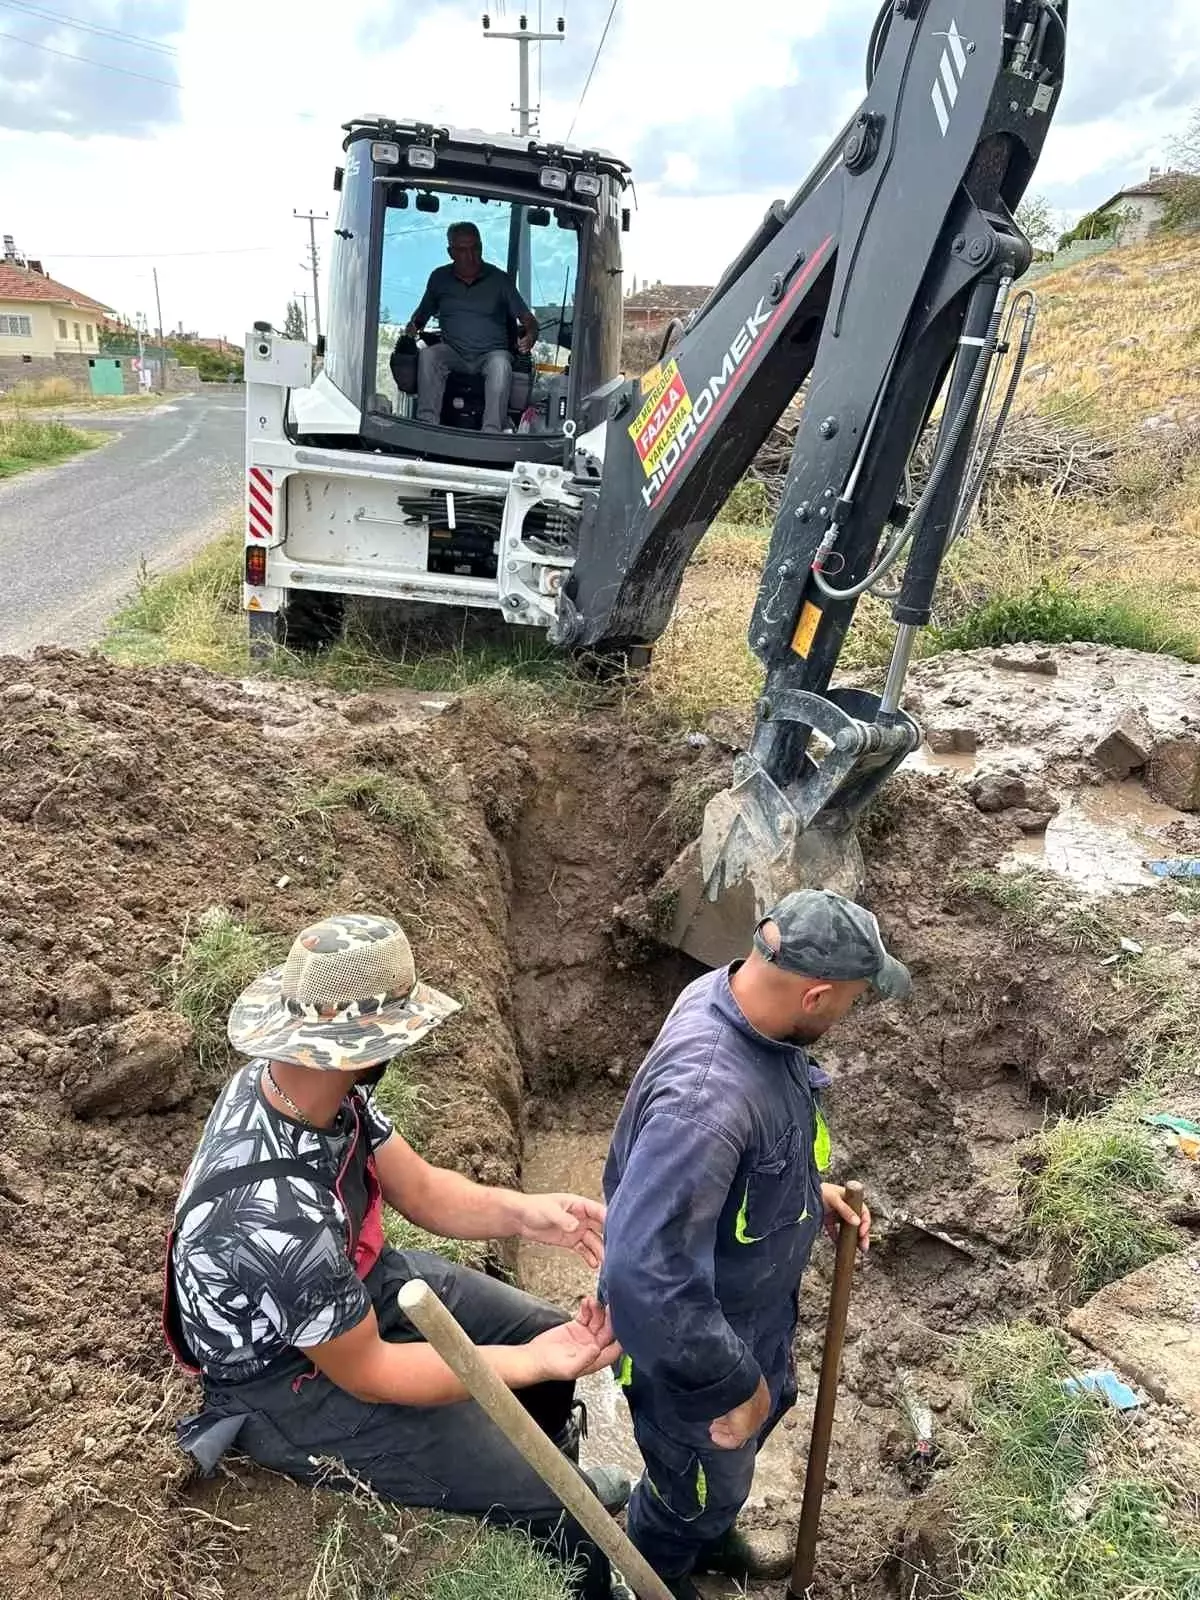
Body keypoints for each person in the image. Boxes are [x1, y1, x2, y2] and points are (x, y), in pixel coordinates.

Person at [163, 912, 631, 1600]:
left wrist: (530, 1215)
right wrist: (532, 1363)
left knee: (538, 1336)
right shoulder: (274, 1213)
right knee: (542, 1477)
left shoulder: (314, 1090)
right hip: (291, 1381)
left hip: (352, 1283)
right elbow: (373, 1372)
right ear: (358, 1047)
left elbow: (423, 1189)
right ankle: (569, 1538)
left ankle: (556, 1470)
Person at [600, 890, 911, 1598]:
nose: (849, 1014)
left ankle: (711, 1536)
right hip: (695, 1355)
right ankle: (654, 1574)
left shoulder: (740, 997)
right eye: (853, 1000)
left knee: (721, 1478)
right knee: (691, 1486)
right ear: (816, 995)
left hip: (751, 1316)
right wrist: (732, 1384)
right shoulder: (705, 1103)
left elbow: (744, 1162)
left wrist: (807, 1197)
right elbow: (646, 1276)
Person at [406, 221, 539, 432]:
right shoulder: (439, 278)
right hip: (454, 352)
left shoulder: (499, 280)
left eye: (475, 248)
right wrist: (412, 327)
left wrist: (531, 334)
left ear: (481, 247)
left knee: (501, 365)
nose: (470, 256)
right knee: (429, 355)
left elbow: (528, 319)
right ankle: (426, 426)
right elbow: (420, 316)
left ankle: (492, 432)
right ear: (451, 252)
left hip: (491, 354)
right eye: (462, 250)